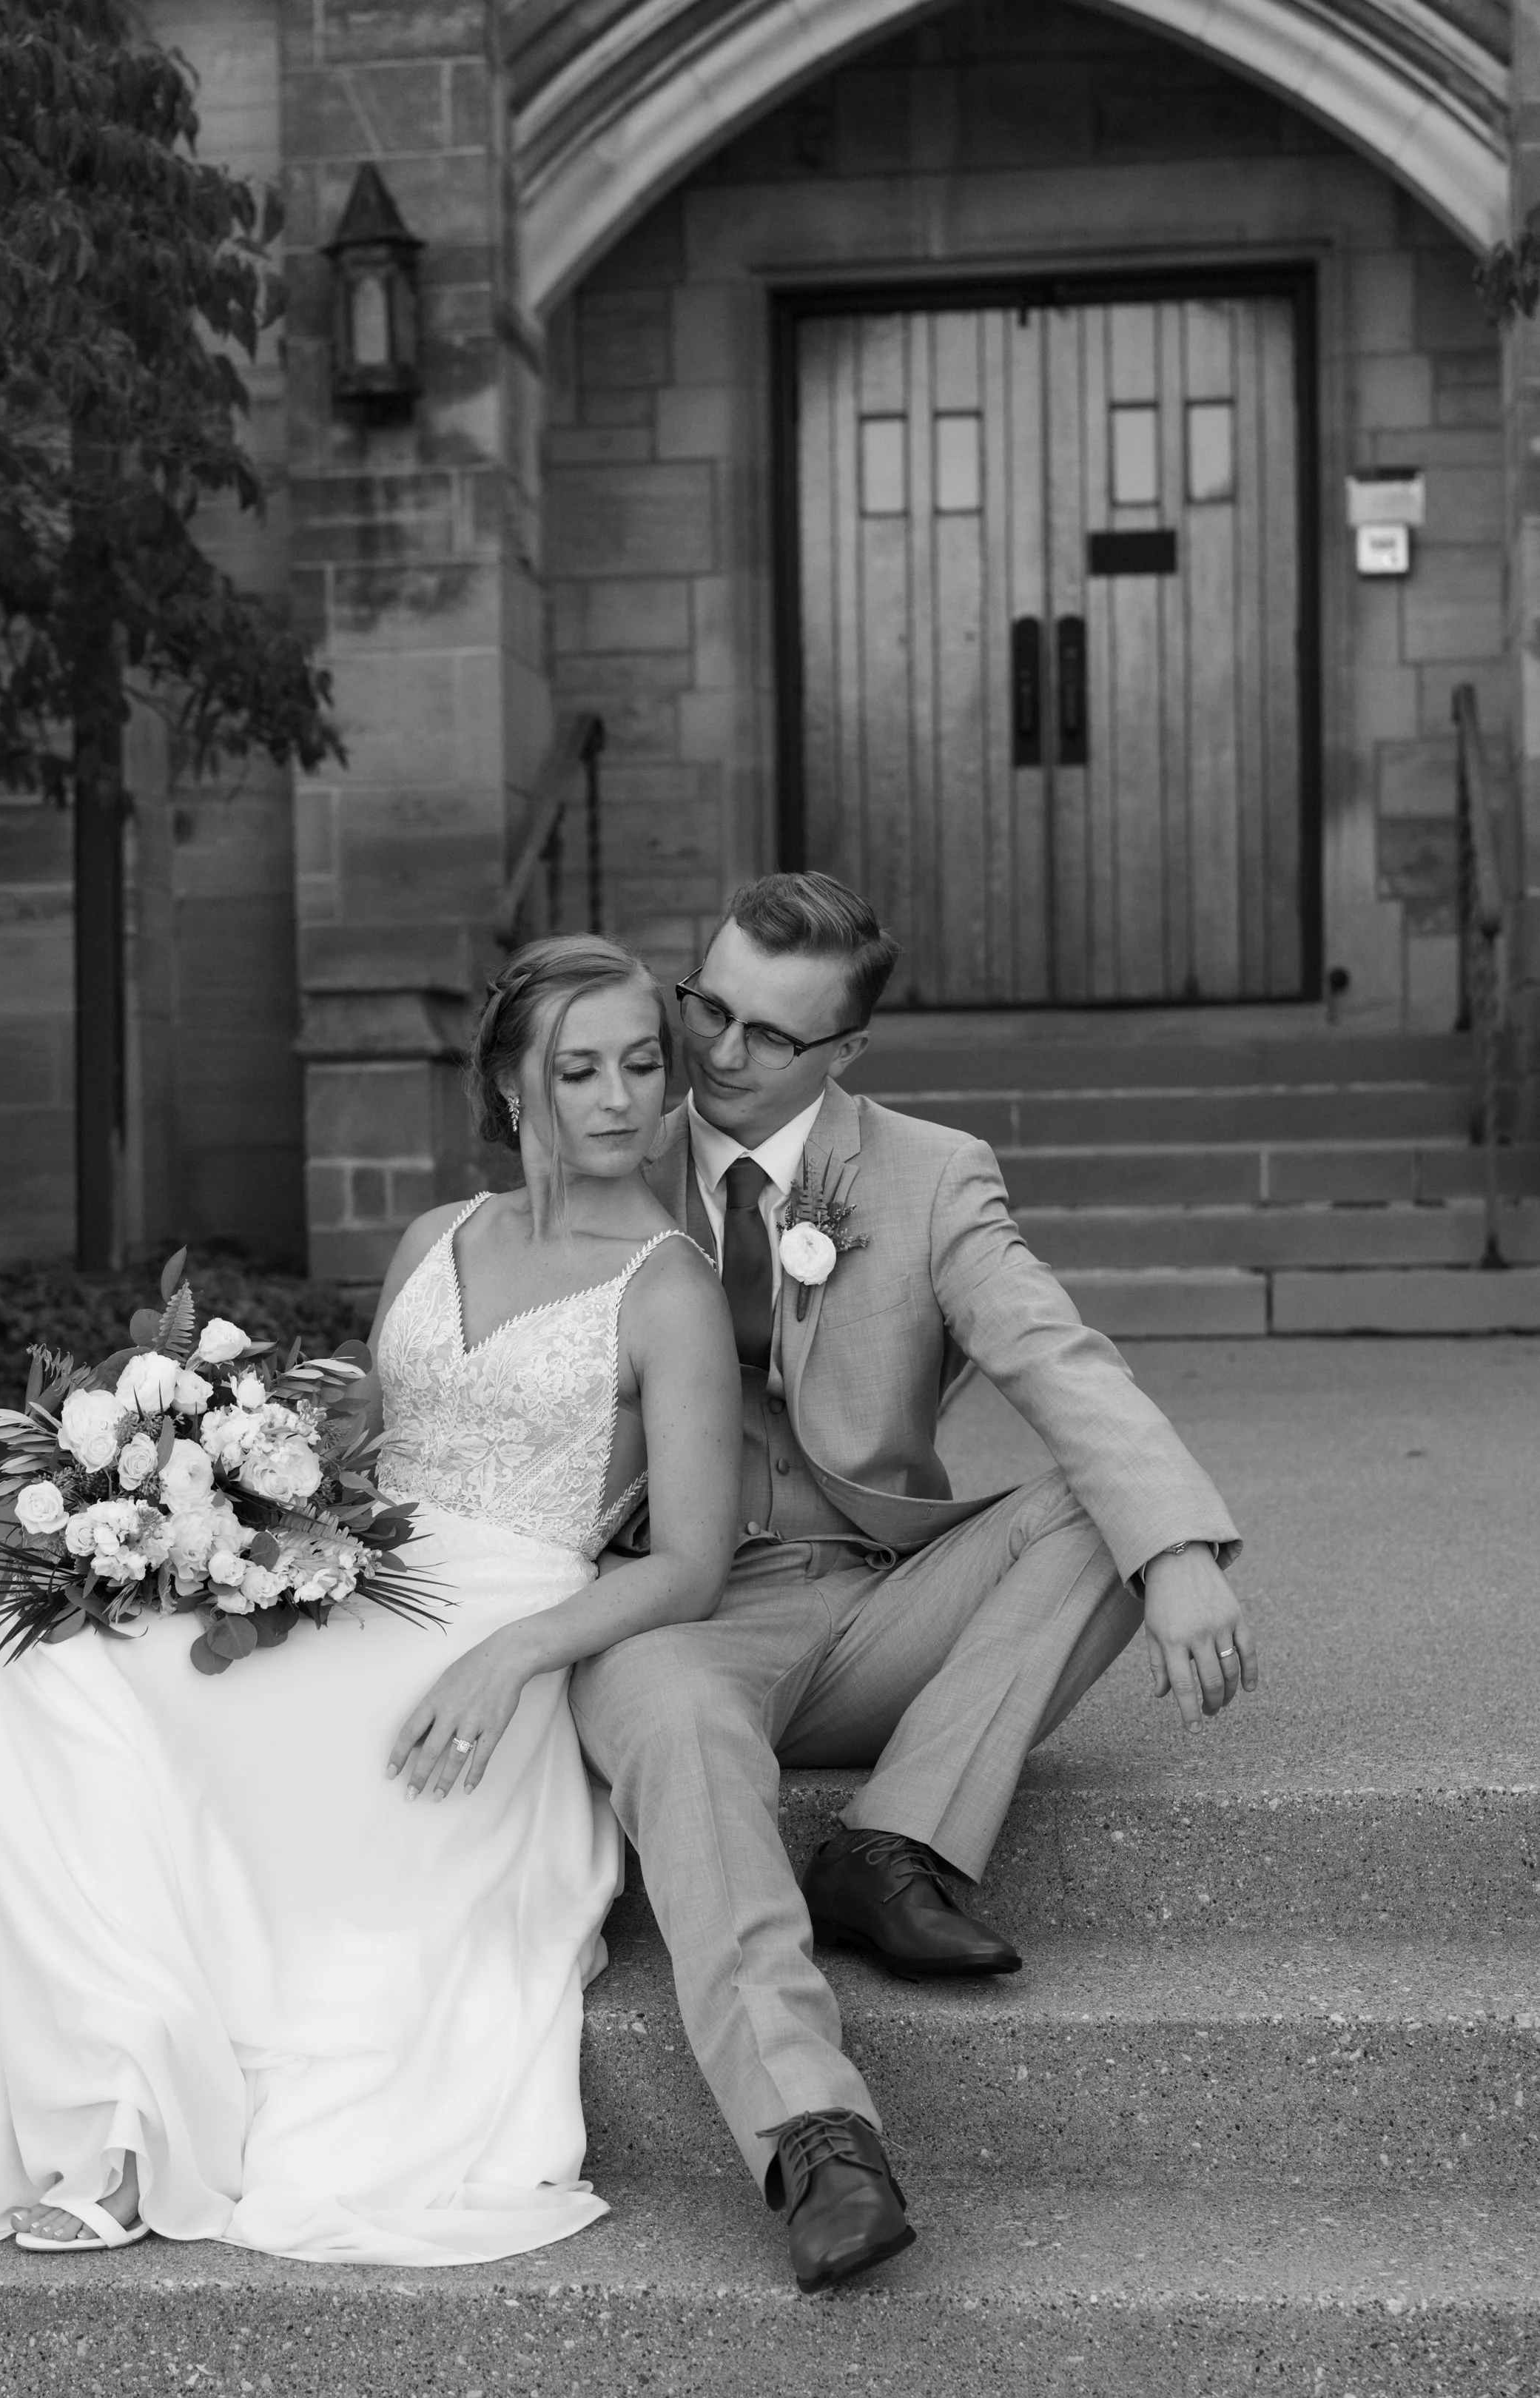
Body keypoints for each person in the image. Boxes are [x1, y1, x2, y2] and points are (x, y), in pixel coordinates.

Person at [0, 933, 739, 2268]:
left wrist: (520, 1656)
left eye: (642, 1063)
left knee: (186, 1732)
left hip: (496, 1616)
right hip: (351, 1563)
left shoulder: (672, 1287)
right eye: (582, 1070)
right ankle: (119, 2091)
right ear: (513, 1086)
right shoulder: (434, 1235)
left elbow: (692, 1559)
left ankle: (146, 2125)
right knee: (22, 1659)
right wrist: (266, 1456)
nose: (622, 1097)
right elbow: (391, 1425)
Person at [571, 871, 1252, 2295]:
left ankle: (891, 1846)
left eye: (770, 1035)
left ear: (846, 1055)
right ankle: (817, 2136)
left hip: (877, 1595)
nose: (718, 1052)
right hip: (673, 1614)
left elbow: (1057, 1359)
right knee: (686, 1734)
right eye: (708, 1006)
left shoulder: (928, 1173)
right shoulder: (614, 1149)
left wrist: (1177, 1550)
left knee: (1108, 1509)